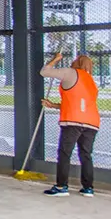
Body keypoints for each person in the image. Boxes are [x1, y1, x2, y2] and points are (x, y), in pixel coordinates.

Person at [40, 52, 100, 197]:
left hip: (73, 121)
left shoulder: (70, 72)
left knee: (64, 153)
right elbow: (79, 102)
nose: (72, 62)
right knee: (86, 155)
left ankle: (61, 187)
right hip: (92, 122)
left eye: (75, 60)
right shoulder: (91, 81)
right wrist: (53, 105)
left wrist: (56, 59)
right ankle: (88, 188)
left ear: (78, 63)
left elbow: (44, 72)